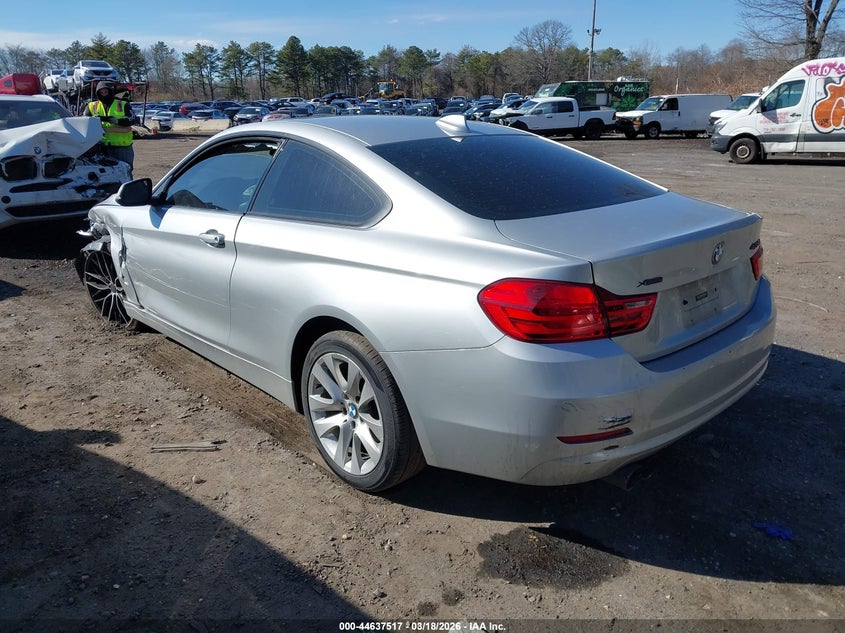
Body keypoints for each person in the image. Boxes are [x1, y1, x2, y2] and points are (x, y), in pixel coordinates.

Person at [84, 81, 134, 176]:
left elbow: (133, 119)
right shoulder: (92, 106)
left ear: (110, 92)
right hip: (103, 148)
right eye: (101, 93)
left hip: (123, 148)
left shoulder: (122, 104)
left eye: (106, 92)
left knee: (126, 173)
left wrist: (115, 120)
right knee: (106, 175)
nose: (104, 95)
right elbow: (84, 122)